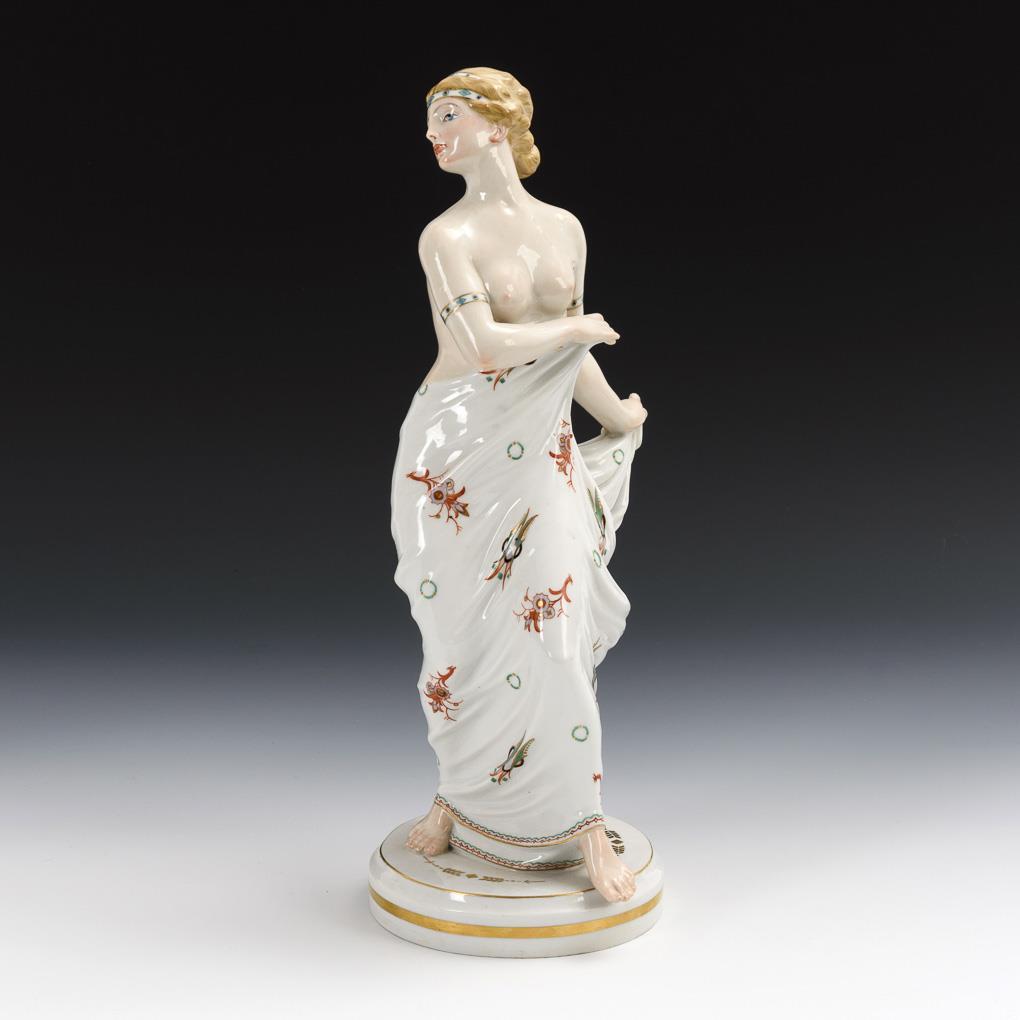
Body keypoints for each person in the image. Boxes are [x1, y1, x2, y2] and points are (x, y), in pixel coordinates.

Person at [390, 68, 647, 903]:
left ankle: (582, 821)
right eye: (432, 120)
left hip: (539, 451)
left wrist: (618, 414)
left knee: (554, 623)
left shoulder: (565, 228)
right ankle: (459, 799)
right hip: (455, 451)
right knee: (457, 637)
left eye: (448, 116)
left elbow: (566, 356)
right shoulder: (445, 236)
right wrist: (580, 326)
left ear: (498, 125)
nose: (434, 133)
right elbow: (484, 347)